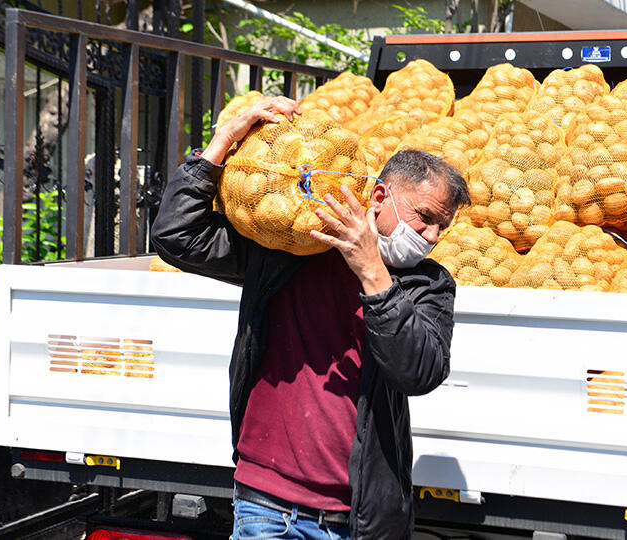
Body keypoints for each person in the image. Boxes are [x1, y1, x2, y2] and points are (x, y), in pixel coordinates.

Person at [151, 96, 470, 540]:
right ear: (380, 197)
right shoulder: (295, 247)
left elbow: (418, 372)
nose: (431, 237)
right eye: (425, 218)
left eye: (442, 227)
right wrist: (224, 140)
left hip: (355, 517)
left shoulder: (428, 285)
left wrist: (373, 272)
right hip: (265, 503)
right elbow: (176, 235)